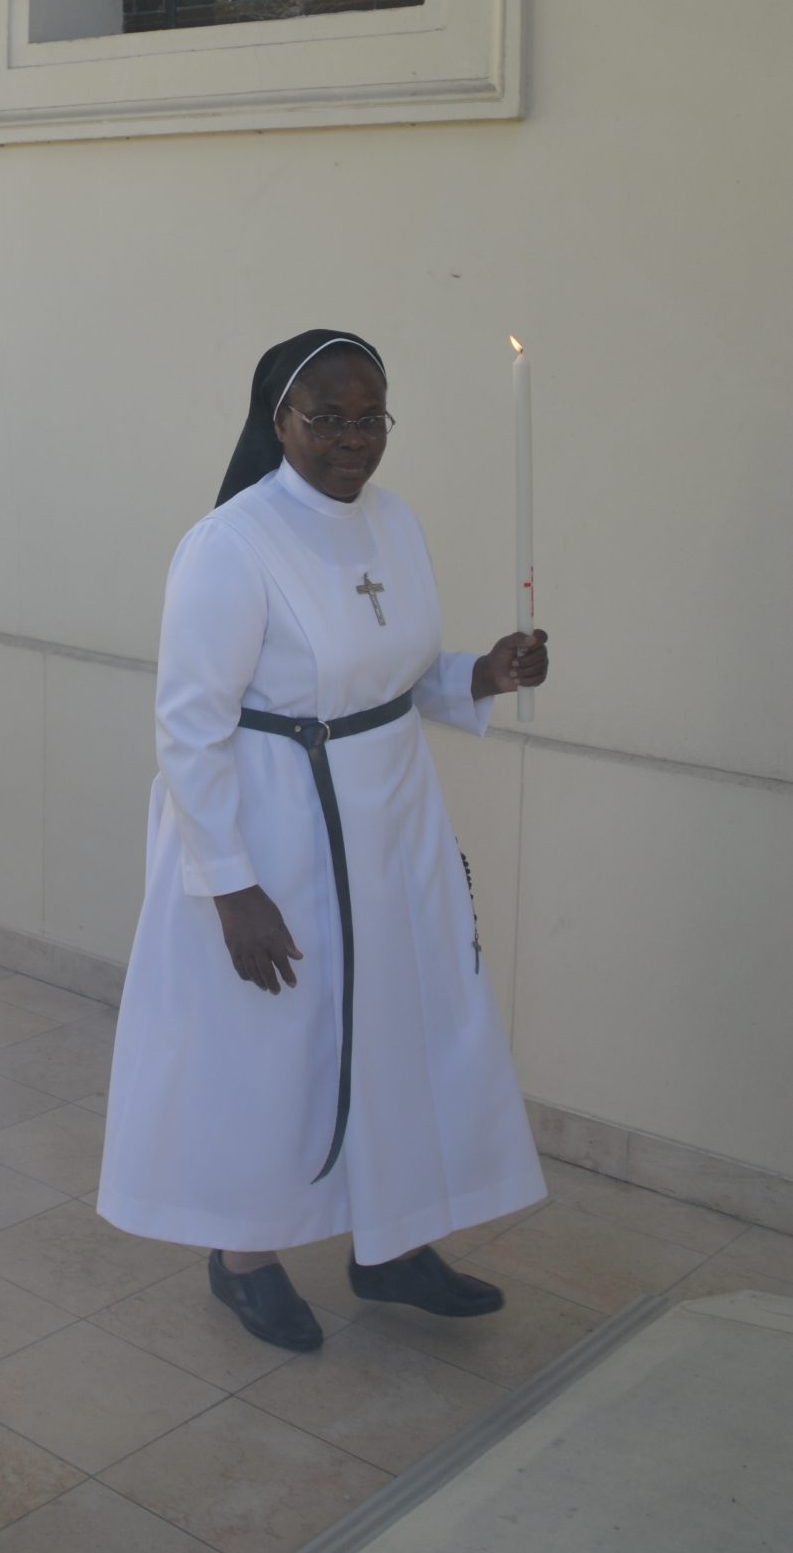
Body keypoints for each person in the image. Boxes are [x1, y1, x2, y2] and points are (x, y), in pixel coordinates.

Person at [98, 329, 550, 1354]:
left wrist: (485, 672)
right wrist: (231, 885)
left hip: (395, 815)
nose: (353, 440)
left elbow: (396, 676)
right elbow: (189, 727)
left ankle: (390, 1243)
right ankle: (244, 1256)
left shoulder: (394, 522)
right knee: (278, 1044)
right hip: (273, 820)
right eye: (328, 418)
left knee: (404, 1024)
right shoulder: (231, 543)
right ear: (279, 422)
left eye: (371, 417)